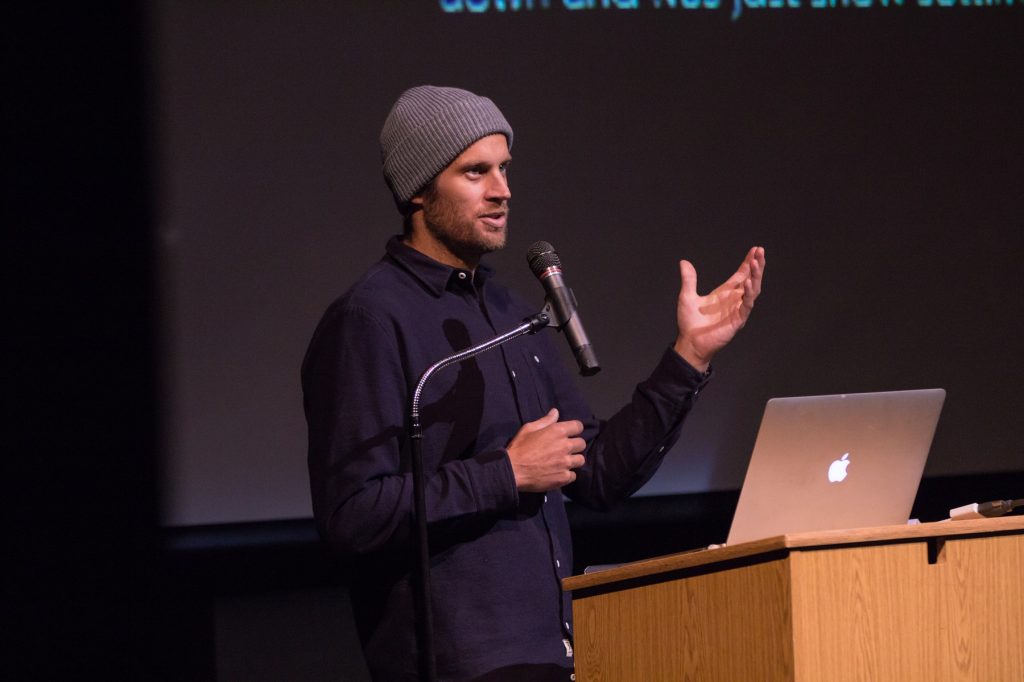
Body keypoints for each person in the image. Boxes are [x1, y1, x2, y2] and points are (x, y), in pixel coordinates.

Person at [302, 85, 765, 681]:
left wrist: (688, 356)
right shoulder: (368, 320)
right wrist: (507, 473)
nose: (502, 190)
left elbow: (595, 472)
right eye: (475, 172)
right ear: (417, 188)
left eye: (503, 169)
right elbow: (352, 516)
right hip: (458, 666)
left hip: (554, 655)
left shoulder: (508, 309)